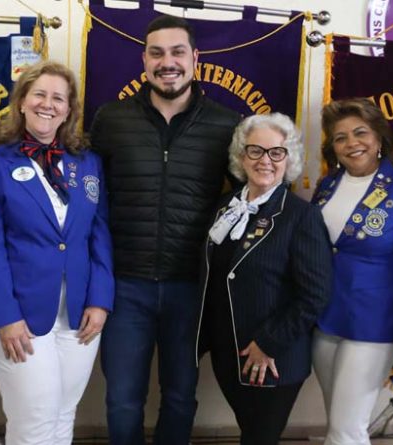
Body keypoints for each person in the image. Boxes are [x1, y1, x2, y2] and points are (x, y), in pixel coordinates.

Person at [89, 14, 240, 445]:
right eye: (156, 53)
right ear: (144, 60)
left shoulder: (226, 124)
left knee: (179, 396)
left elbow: (247, 202)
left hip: (190, 288)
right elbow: (90, 200)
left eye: (177, 52)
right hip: (124, 286)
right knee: (122, 399)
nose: (167, 62)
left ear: (195, 58)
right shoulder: (111, 119)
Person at [0, 61, 114, 445]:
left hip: (78, 314)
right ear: (21, 102)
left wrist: (100, 300)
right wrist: (5, 316)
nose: (48, 104)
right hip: (18, 314)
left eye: (58, 98)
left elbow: (99, 236)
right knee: (34, 417)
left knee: (64, 413)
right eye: (39, 95)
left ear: (68, 110)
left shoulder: (87, 164)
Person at [197, 113, 332, 445]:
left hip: (272, 357)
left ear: (289, 159)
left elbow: (314, 295)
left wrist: (268, 344)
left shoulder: (302, 216)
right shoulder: (224, 207)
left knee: (260, 438)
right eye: (255, 150)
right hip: (228, 354)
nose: (265, 160)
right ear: (241, 156)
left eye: (276, 152)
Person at [311, 98, 393, 445]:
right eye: (340, 137)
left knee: (345, 430)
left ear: (379, 137)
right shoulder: (327, 185)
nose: (352, 143)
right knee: (340, 424)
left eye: (360, 133)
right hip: (325, 321)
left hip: (374, 325)